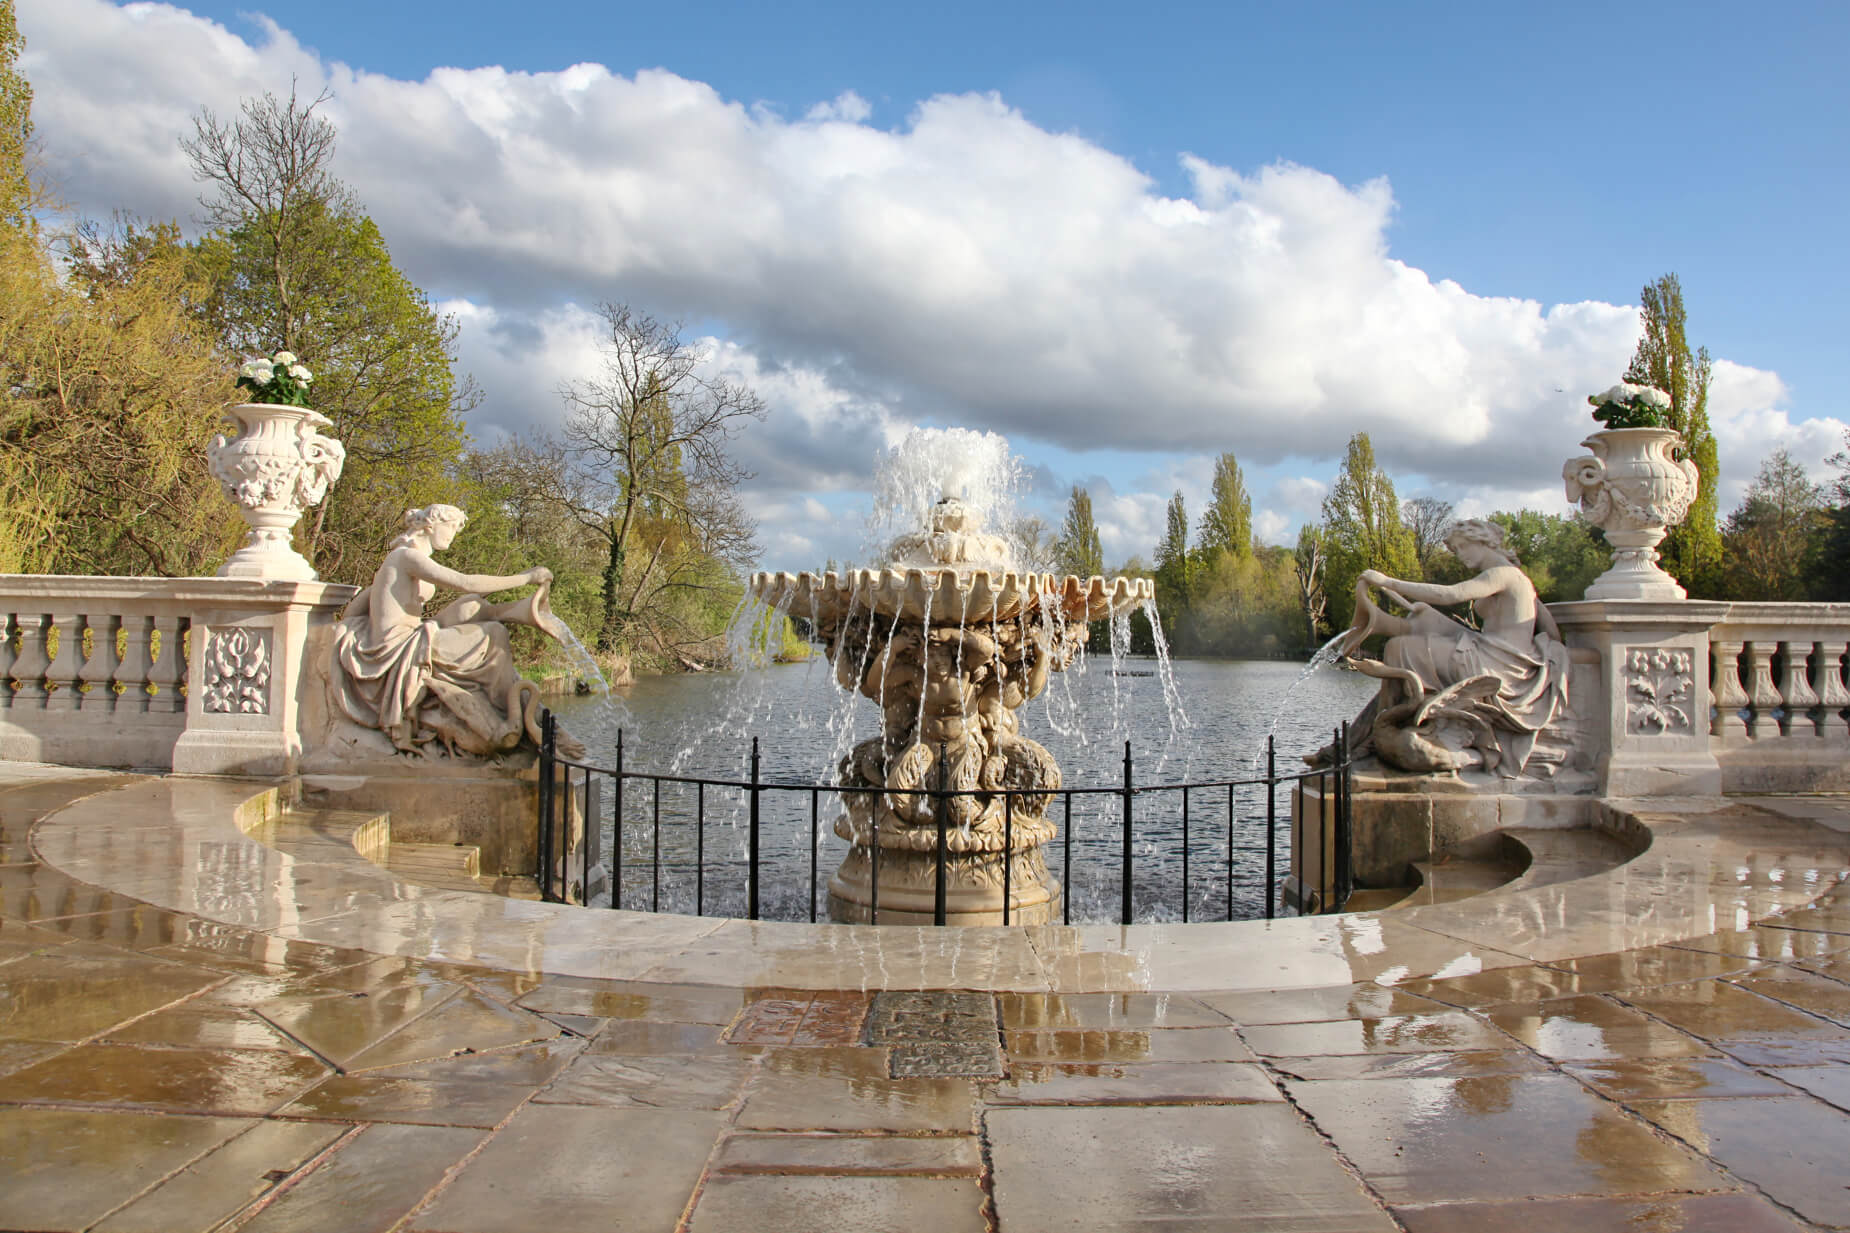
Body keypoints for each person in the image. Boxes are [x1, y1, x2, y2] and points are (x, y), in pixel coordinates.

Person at [1338, 518, 1569, 775]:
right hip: (1492, 654)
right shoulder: (1518, 578)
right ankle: (1382, 729)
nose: (1459, 556)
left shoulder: (1502, 573)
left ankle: (1379, 734)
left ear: (1482, 542)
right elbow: (1551, 629)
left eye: (1461, 548)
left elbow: (1450, 595)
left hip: (1497, 665)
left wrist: (1387, 582)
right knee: (1424, 619)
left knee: (1398, 649)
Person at [331, 504, 555, 758]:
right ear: (430, 525)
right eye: (450, 527)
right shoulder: (407, 557)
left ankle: (515, 612)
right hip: (400, 646)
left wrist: (355, 621)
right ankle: (504, 710)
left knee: (471, 604)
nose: (453, 534)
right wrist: (525, 577)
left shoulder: (402, 558)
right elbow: (464, 581)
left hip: (413, 635)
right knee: (495, 635)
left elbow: (358, 607)